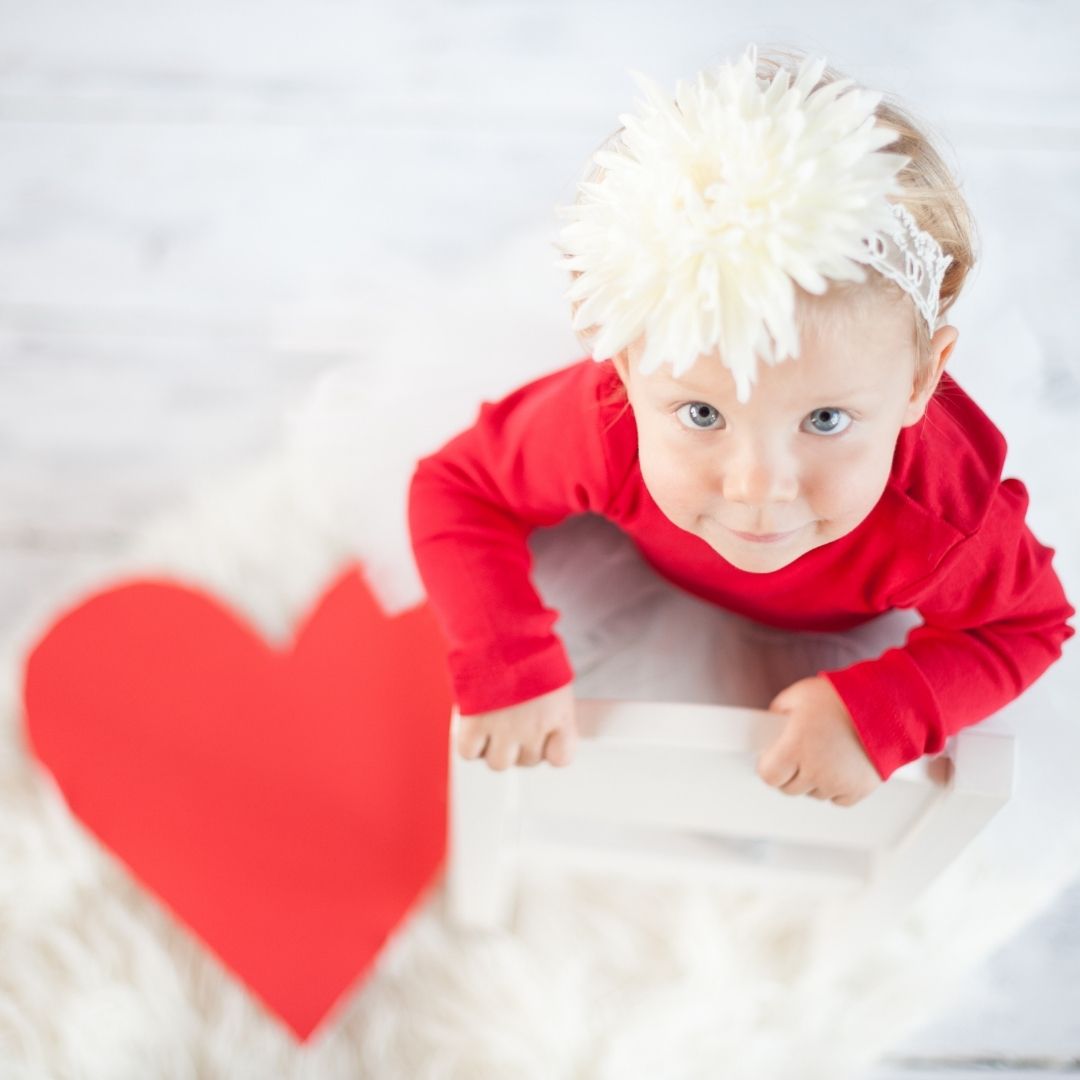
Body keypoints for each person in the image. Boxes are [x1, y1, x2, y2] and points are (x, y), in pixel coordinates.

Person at [407, 44, 1074, 806]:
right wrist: (506, 655)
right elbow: (457, 485)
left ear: (923, 381)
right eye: (702, 414)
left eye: (825, 420)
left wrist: (885, 711)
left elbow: (1026, 626)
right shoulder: (604, 425)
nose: (756, 486)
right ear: (624, 369)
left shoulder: (946, 521)